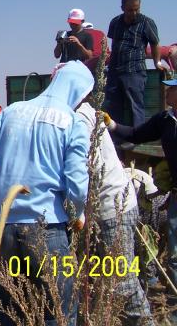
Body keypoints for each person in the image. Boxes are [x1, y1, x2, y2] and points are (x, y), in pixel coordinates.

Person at [0, 60, 93, 326]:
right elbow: (76, 184)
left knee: (8, 309)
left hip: (3, 228)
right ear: (78, 91)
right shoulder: (72, 122)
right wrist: (79, 213)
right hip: (46, 229)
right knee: (59, 310)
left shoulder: (11, 111)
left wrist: (4, 193)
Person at [76, 100, 155, 325]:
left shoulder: (81, 119)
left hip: (112, 207)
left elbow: (84, 169)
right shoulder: (85, 114)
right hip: (105, 207)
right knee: (103, 275)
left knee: (123, 281)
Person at [105, 78, 177, 317]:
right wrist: (112, 124)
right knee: (175, 256)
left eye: (172, 88)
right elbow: (136, 134)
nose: (167, 91)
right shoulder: (165, 120)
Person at [105, 0, 167, 128]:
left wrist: (157, 62)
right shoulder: (115, 22)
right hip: (115, 70)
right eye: (130, 10)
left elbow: (155, 43)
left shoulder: (146, 22)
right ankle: (116, 138)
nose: (134, 13)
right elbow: (113, 43)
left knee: (135, 106)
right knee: (113, 106)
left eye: (137, 9)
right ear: (122, 8)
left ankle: (137, 137)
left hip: (134, 70)